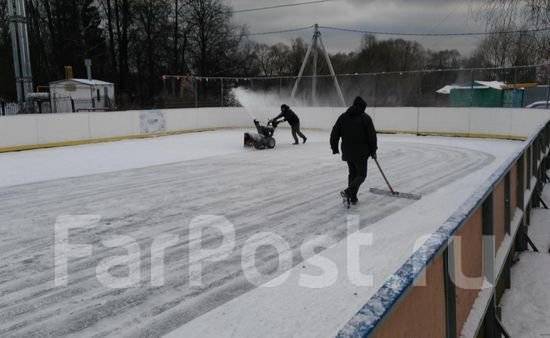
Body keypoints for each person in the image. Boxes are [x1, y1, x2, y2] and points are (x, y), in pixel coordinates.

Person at [330, 96, 378, 205]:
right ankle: (349, 192)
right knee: (361, 175)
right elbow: (372, 137)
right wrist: (373, 150)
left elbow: (334, 133)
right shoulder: (365, 118)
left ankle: (353, 197)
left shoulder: (343, 117)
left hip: (347, 152)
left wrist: (334, 147)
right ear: (362, 107)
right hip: (361, 153)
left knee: (352, 174)